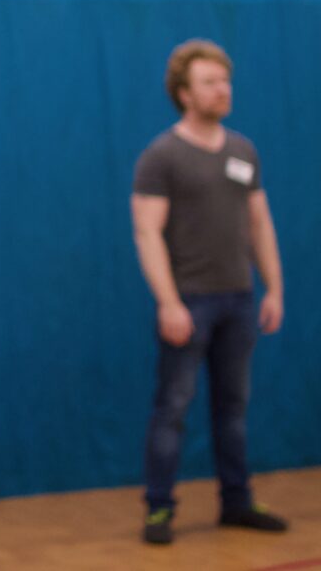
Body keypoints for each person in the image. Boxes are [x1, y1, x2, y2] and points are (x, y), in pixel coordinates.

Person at [131, 39, 287, 545]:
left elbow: (260, 223)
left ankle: (237, 502)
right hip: (191, 303)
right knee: (172, 407)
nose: (223, 90)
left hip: (239, 298)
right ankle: (159, 508)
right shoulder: (162, 155)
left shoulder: (244, 151)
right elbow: (147, 231)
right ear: (184, 92)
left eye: (225, 80)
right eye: (210, 82)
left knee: (233, 407)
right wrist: (170, 301)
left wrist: (273, 289)